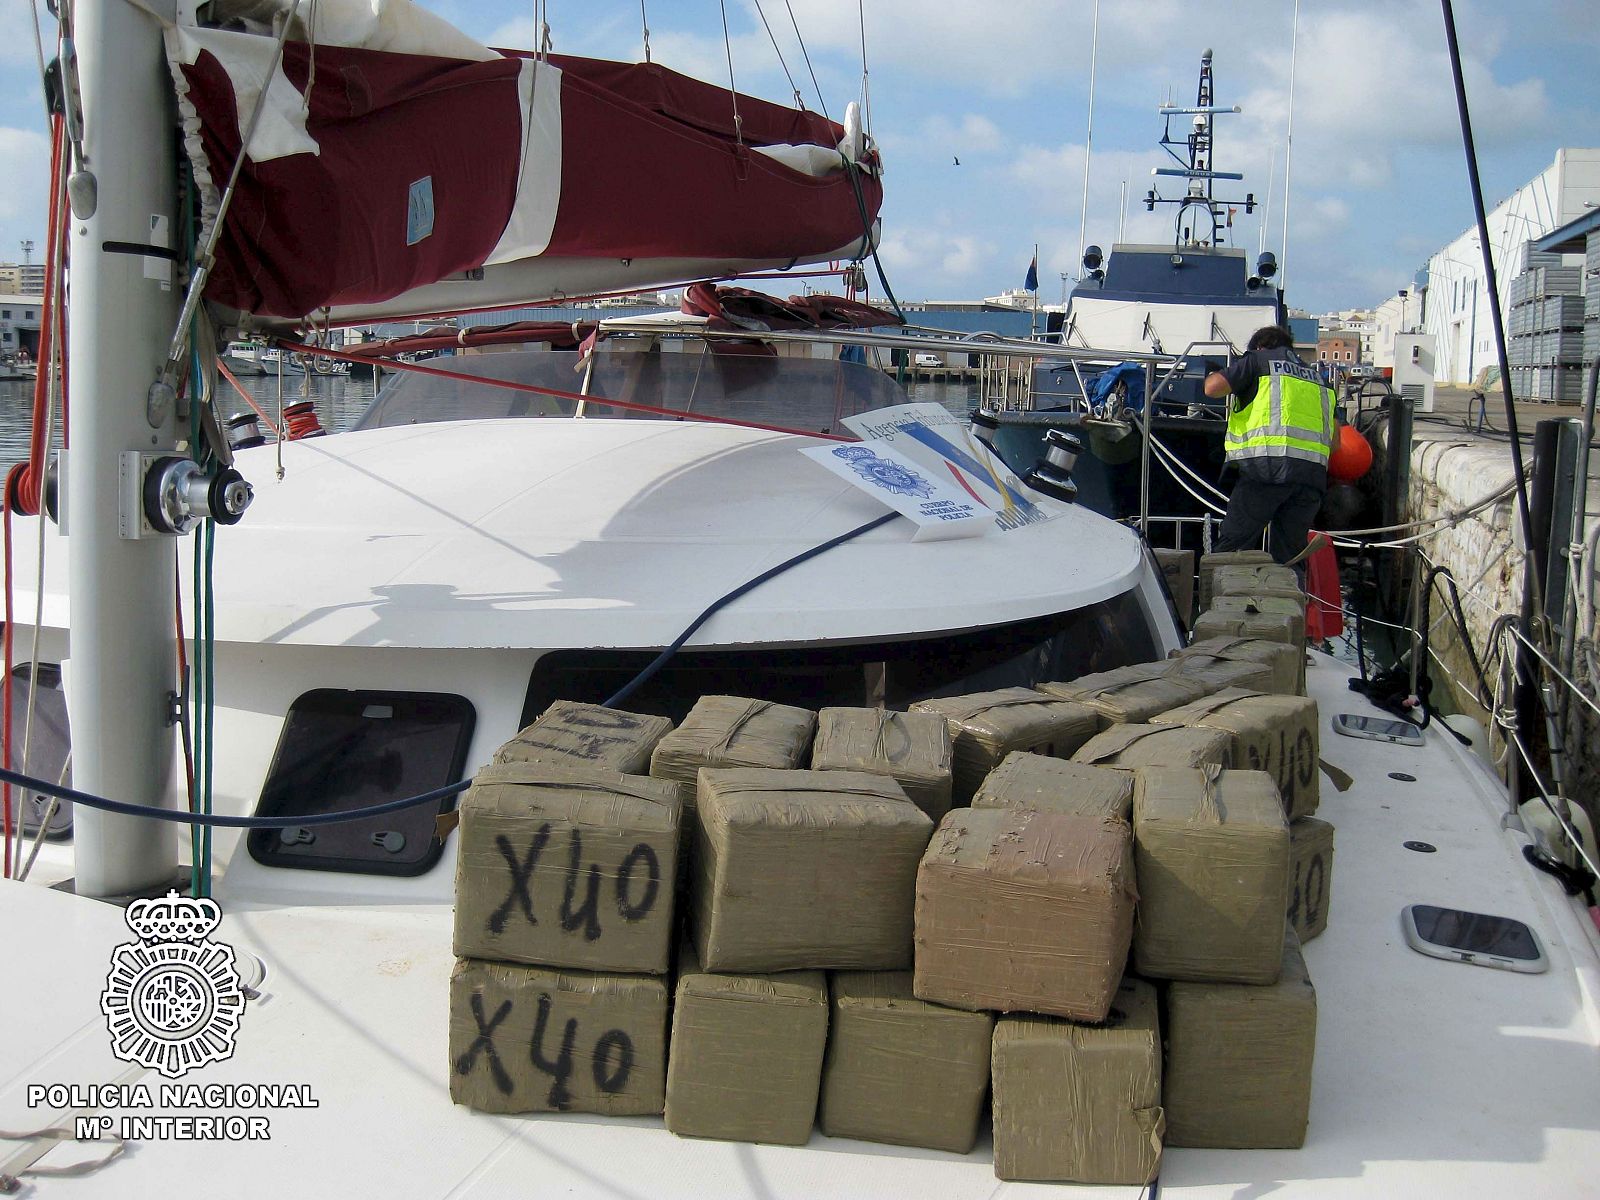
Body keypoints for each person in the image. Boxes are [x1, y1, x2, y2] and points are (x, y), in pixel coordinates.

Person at [1203, 324, 1336, 568]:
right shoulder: (1320, 380)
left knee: (1231, 551)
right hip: (1310, 479)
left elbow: (1212, 389)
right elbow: (1335, 442)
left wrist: (1212, 372)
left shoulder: (1258, 360)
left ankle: (1224, 602)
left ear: (1260, 346)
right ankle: (1291, 602)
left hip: (1264, 470)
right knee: (1291, 557)